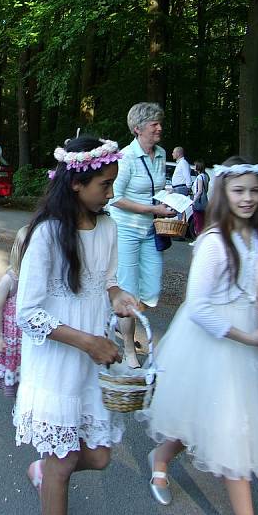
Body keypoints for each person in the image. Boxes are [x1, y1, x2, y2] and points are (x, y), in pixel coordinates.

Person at [138, 157, 258, 515]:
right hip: (213, 340)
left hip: (246, 345)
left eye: (254, 190)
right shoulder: (215, 242)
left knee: (205, 419)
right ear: (222, 193)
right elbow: (199, 305)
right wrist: (248, 336)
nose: (248, 198)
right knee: (228, 431)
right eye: (238, 191)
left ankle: (161, 455)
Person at [13, 135, 141, 515]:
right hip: (57, 361)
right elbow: (28, 314)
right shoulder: (47, 235)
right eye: (105, 185)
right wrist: (87, 342)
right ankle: (51, 477)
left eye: (113, 183)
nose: (111, 193)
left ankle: (44, 471)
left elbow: (109, 282)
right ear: (76, 184)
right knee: (64, 463)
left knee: (100, 456)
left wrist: (119, 297)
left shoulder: (108, 228)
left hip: (92, 363)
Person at [108, 103, 176, 367]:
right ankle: (128, 348)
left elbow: (158, 187)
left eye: (160, 122)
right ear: (138, 129)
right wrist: (152, 208)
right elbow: (115, 197)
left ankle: (117, 318)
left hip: (150, 230)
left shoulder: (160, 154)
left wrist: (170, 200)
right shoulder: (125, 157)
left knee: (151, 291)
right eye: (154, 124)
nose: (159, 127)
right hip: (125, 230)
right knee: (128, 290)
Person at [0, 225, 27, 398]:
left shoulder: (40, 280)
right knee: (16, 370)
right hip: (12, 339)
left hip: (29, 338)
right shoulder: (10, 280)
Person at [191, 159, 209, 236]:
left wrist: (193, 201)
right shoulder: (206, 176)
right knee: (202, 220)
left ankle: (198, 237)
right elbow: (206, 189)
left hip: (199, 201)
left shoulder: (199, 177)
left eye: (195, 165)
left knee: (197, 220)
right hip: (204, 201)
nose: (194, 166)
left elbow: (199, 191)